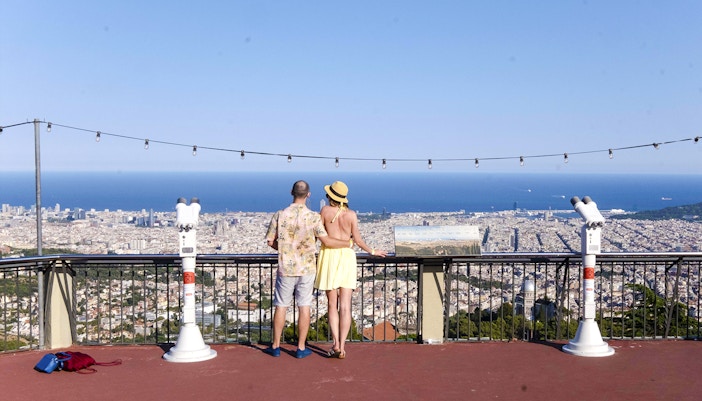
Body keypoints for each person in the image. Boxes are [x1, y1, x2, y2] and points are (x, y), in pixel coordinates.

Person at [264, 180, 349, 358]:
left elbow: (271, 241)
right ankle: (301, 348)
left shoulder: (280, 215)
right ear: (308, 195)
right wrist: (347, 243)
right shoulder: (313, 217)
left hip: (285, 268)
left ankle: (276, 346)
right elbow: (325, 240)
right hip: (307, 268)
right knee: (304, 307)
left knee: (281, 306)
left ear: (291, 192)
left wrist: (284, 250)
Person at [315, 181, 387, 359]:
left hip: (329, 256)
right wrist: (373, 251)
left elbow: (318, 236)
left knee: (332, 304)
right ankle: (343, 346)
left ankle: (336, 344)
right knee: (345, 306)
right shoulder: (352, 215)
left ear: (331, 196)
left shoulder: (324, 212)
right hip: (347, 257)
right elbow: (359, 240)